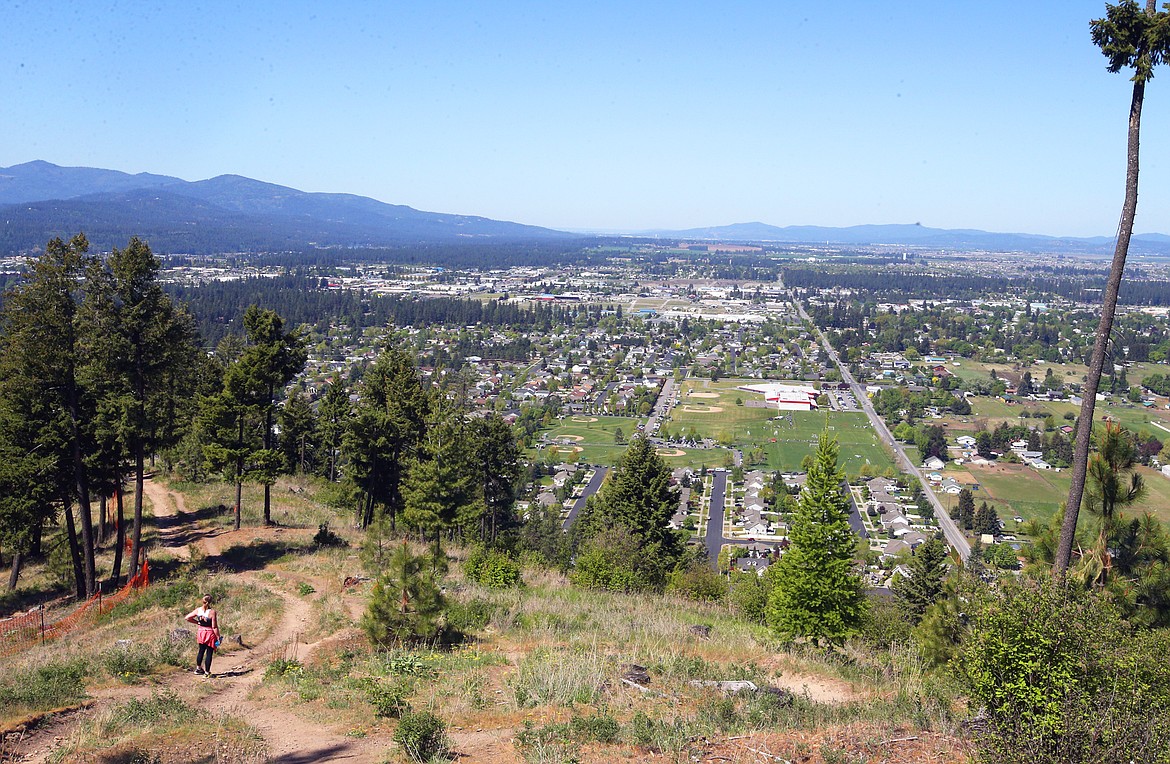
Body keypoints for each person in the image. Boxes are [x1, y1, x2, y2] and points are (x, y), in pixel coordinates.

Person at [184, 594, 221, 676]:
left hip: (201, 632)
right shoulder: (212, 612)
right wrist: (218, 636)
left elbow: (187, 618)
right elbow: (214, 626)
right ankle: (207, 672)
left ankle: (198, 668)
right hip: (209, 633)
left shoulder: (198, 610)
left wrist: (197, 622)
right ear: (211, 602)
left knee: (201, 651)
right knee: (209, 652)